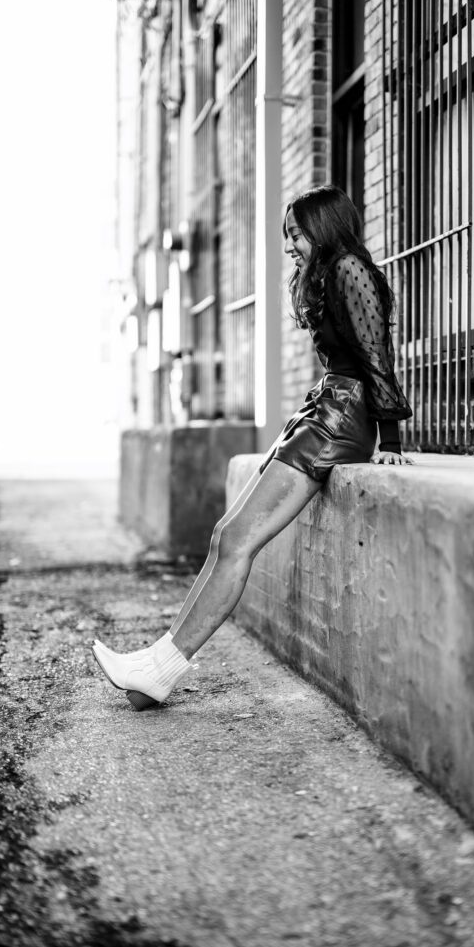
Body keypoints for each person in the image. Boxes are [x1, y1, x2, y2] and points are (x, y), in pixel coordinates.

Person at [92, 184, 413, 710]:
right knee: (225, 533)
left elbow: (377, 354)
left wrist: (392, 436)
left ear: (325, 227)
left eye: (297, 234)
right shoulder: (329, 274)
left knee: (239, 537)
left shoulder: (351, 269)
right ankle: (156, 665)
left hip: (341, 419)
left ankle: (162, 671)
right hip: (323, 410)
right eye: (288, 235)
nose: (290, 245)